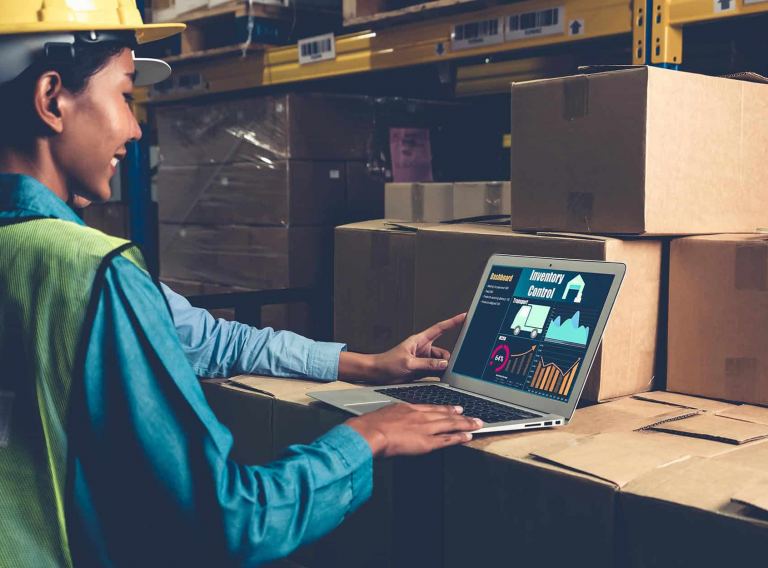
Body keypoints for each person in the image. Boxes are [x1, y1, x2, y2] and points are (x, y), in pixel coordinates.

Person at [0, 2, 480, 567]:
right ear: (52, 98)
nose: (134, 127)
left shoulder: (44, 258)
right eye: (126, 95)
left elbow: (206, 337)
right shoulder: (94, 271)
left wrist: (371, 366)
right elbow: (227, 521)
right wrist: (366, 439)